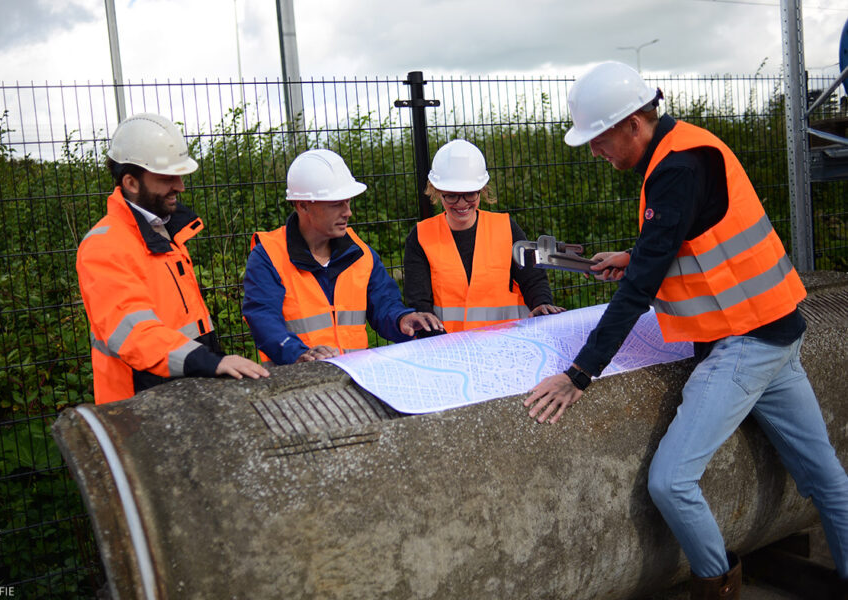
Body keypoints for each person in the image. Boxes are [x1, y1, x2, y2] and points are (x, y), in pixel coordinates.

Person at [523, 61, 848, 597]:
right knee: (826, 479)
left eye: (598, 139)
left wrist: (578, 374)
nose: (595, 152)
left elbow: (638, 291)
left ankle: (718, 586)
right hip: (778, 329)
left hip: (743, 343)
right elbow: (692, 238)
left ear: (633, 124)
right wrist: (634, 255)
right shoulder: (687, 146)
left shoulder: (674, 169)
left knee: (670, 482)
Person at [77, 112, 269, 404]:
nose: (180, 186)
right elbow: (134, 333)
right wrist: (210, 362)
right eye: (167, 178)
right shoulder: (104, 246)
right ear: (131, 182)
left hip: (178, 395)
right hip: (137, 407)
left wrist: (210, 365)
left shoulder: (162, 229)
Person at [242, 148, 443, 365]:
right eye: (336, 204)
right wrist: (297, 354)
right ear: (303, 205)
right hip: (295, 378)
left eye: (347, 202)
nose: (348, 212)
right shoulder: (268, 256)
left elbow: (384, 304)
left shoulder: (360, 253)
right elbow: (263, 319)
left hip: (354, 375)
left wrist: (401, 319)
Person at [403, 139, 564, 333]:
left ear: (482, 191)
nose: (461, 203)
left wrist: (542, 303)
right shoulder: (421, 236)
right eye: (451, 195)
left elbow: (532, 278)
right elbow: (420, 303)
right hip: (448, 345)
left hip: (507, 339)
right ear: (437, 192)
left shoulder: (506, 228)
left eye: (470, 194)